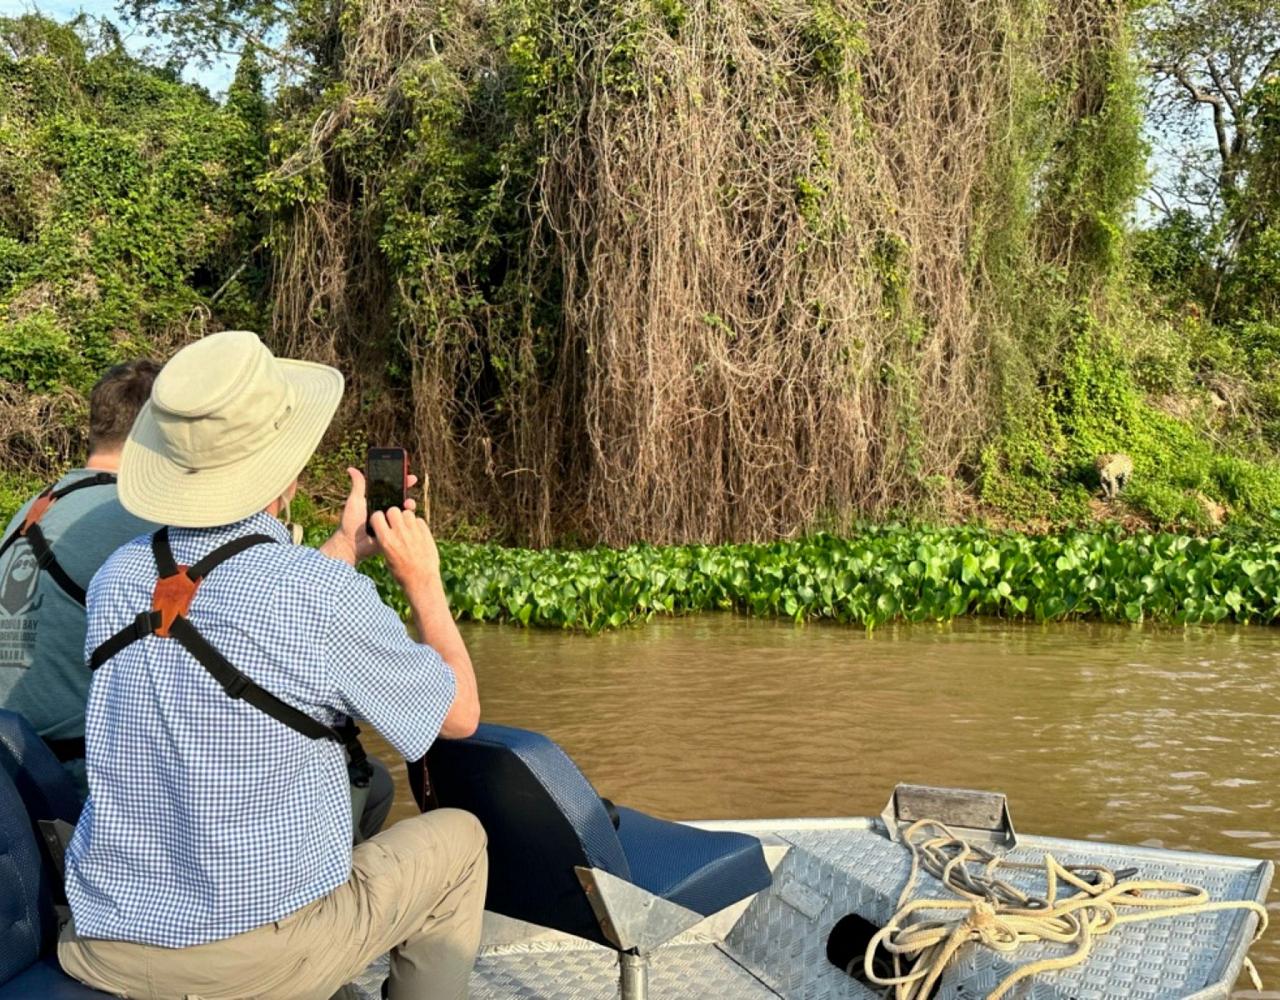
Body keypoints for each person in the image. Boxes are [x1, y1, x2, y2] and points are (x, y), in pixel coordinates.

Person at [57, 330, 485, 1000]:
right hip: (240, 963)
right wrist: (423, 582)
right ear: (284, 473)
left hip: (104, 942)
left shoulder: (117, 577)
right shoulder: (316, 594)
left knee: (366, 791)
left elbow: (238, 615)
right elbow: (456, 716)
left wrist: (345, 541)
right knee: (459, 842)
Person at [0, 360, 160, 794]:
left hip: (10, 762)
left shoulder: (35, 507)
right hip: (71, 774)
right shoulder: (140, 517)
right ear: (158, 431)